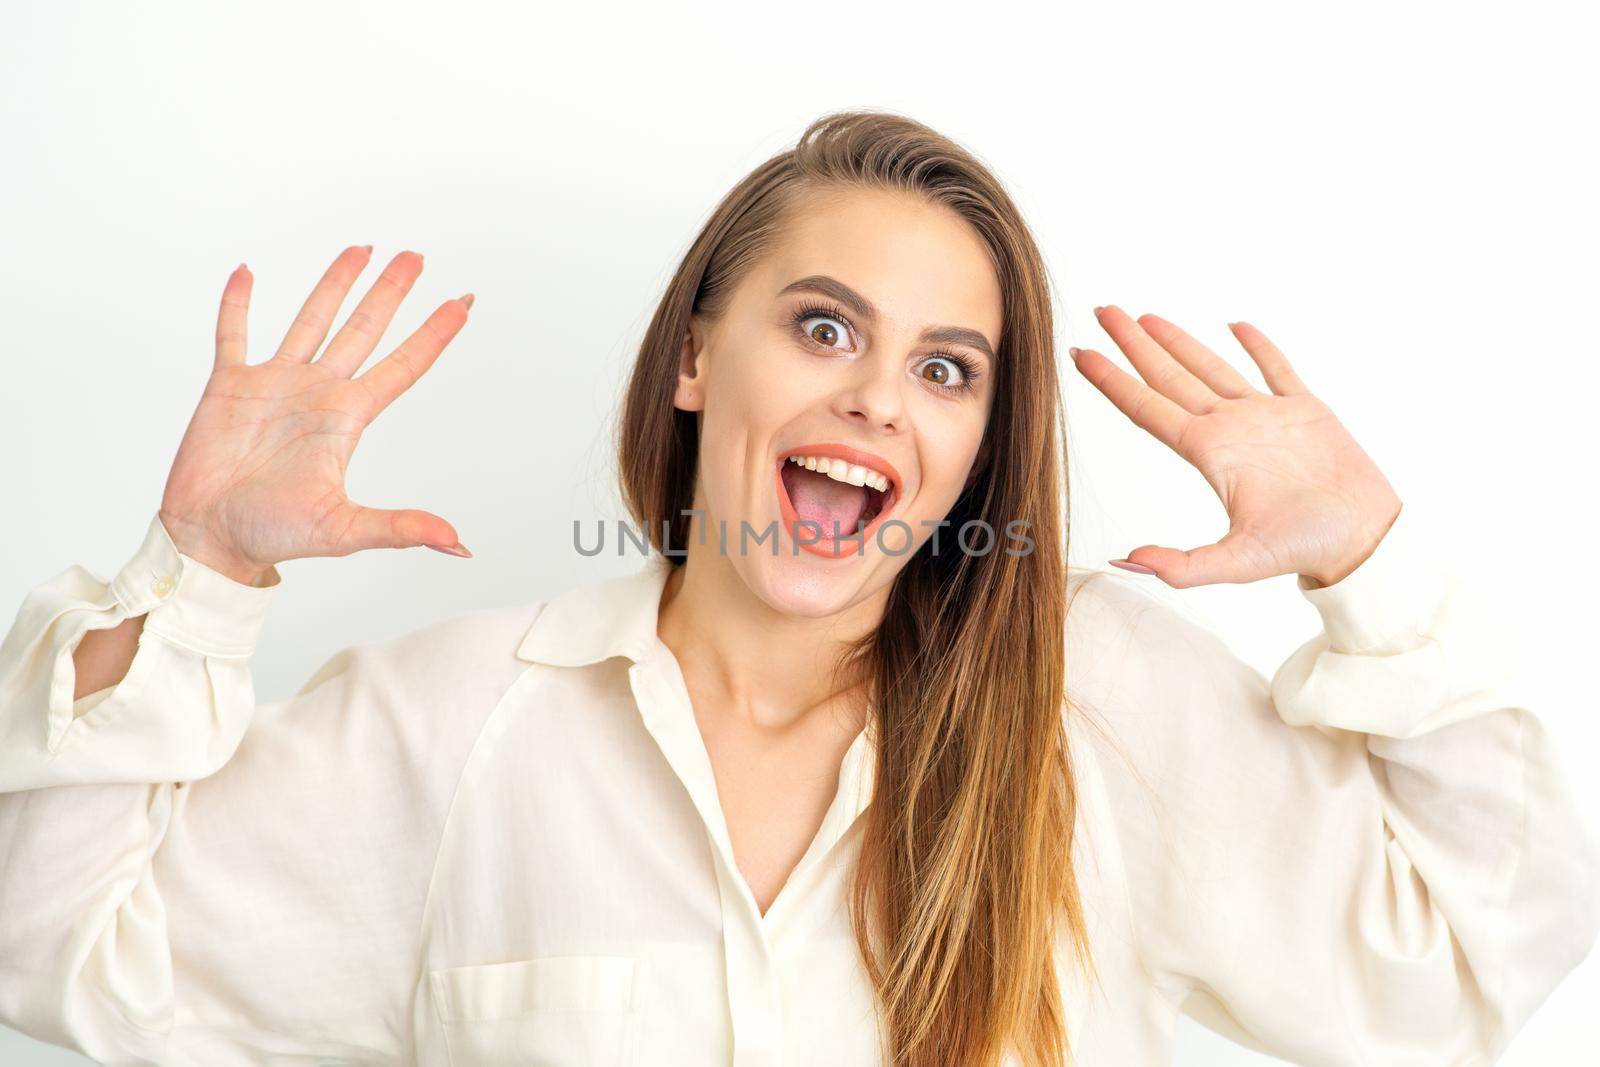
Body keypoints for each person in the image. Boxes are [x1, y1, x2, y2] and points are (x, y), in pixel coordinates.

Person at [0, 109, 1594, 1067]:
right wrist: (198, 565)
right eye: (824, 329)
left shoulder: (1096, 697)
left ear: (981, 439)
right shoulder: (456, 723)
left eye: (946, 368)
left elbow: (1470, 961)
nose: (879, 402)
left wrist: (1368, 562)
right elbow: (57, 954)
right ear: (700, 355)